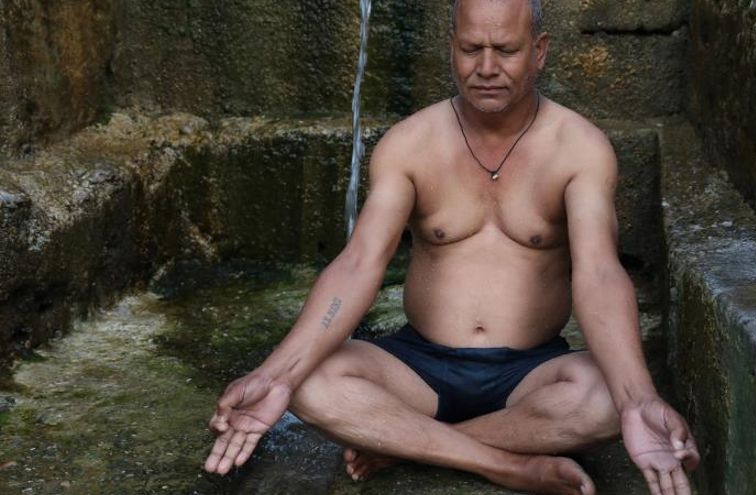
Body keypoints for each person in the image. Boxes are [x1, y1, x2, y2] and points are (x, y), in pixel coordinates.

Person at [204, 0, 700, 493]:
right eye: (470, 48)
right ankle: (507, 465)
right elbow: (359, 263)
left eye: (506, 50)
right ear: (451, 49)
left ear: (540, 51)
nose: (486, 67)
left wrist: (640, 399)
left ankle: (411, 443)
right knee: (307, 383)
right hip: (417, 367)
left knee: (611, 401)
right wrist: (275, 375)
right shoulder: (411, 142)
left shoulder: (579, 148)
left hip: (529, 372)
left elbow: (599, 272)